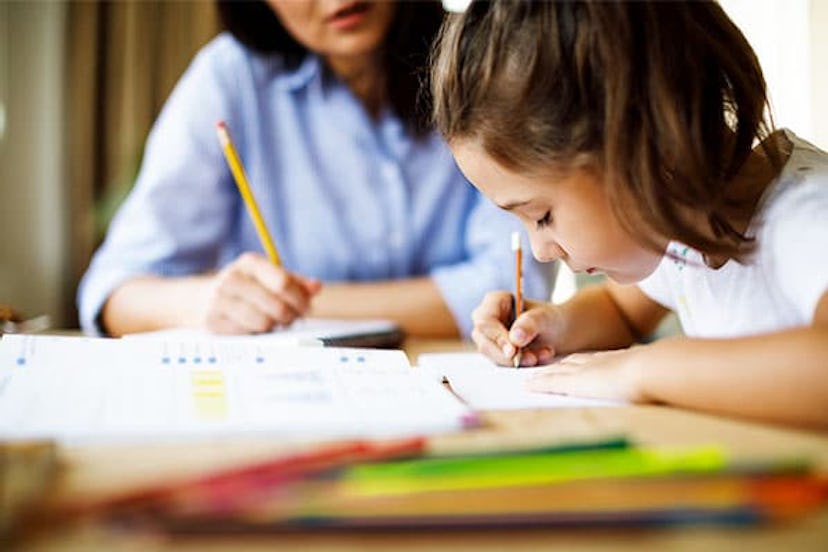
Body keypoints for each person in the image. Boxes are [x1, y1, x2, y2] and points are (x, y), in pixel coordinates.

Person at [430, 1, 828, 428]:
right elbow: (620, 310)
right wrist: (552, 325)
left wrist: (644, 370)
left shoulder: (805, 215)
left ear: (642, 141)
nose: (541, 251)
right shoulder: (685, 227)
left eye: (542, 215)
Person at [78, 0, 554, 338]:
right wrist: (209, 302)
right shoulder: (229, 80)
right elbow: (112, 293)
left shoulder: (484, 61)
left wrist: (297, 308)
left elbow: (513, 289)